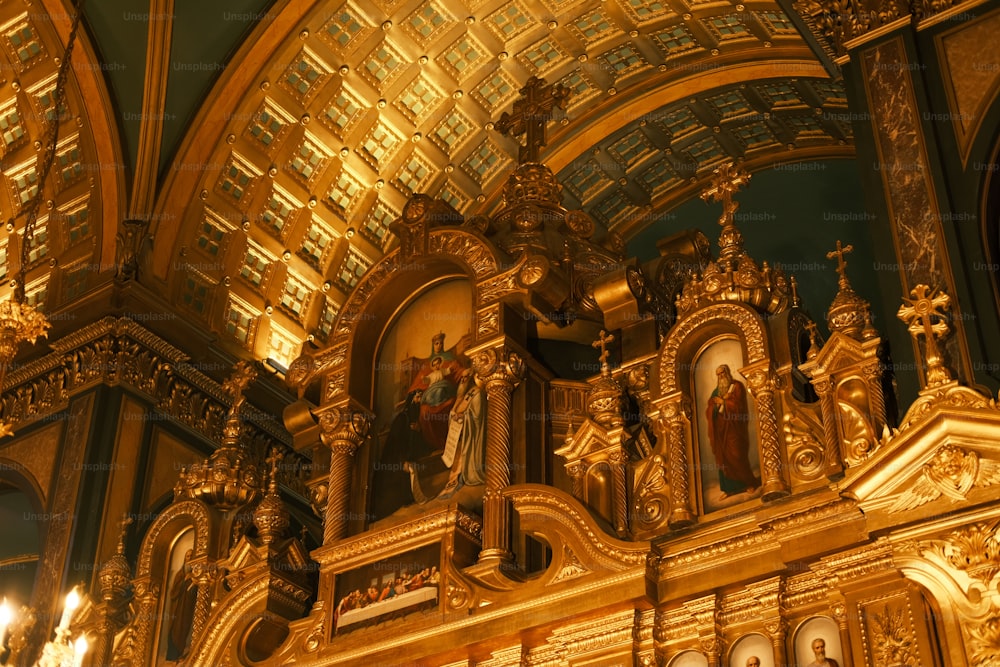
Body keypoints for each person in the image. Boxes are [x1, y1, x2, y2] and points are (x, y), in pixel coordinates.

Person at [705, 364, 760, 498]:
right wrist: (714, 406)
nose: (721, 376)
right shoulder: (715, 392)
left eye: (722, 373)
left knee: (737, 454)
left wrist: (724, 403)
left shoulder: (736, 387)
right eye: (718, 375)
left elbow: (739, 406)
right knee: (724, 458)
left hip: (734, 429)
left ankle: (748, 483)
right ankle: (729, 489)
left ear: (727, 372)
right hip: (720, 431)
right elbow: (709, 411)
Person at [408, 333, 466, 451]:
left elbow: (456, 371)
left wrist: (463, 371)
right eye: (436, 343)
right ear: (433, 345)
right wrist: (416, 392)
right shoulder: (426, 366)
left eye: (440, 343)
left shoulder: (449, 360)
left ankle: (449, 443)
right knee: (424, 411)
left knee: (446, 400)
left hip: (445, 393)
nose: (438, 346)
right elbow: (420, 383)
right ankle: (434, 444)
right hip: (431, 395)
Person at [438, 369, 487, 498]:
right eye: (462, 378)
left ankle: (466, 475)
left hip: (470, 436)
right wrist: (453, 416)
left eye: (466, 378)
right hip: (459, 434)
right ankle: (453, 480)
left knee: (464, 455)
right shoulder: (462, 396)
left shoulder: (477, 393)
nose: (463, 380)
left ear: (472, 378)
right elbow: (455, 411)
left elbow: (477, 417)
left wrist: (463, 418)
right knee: (456, 457)